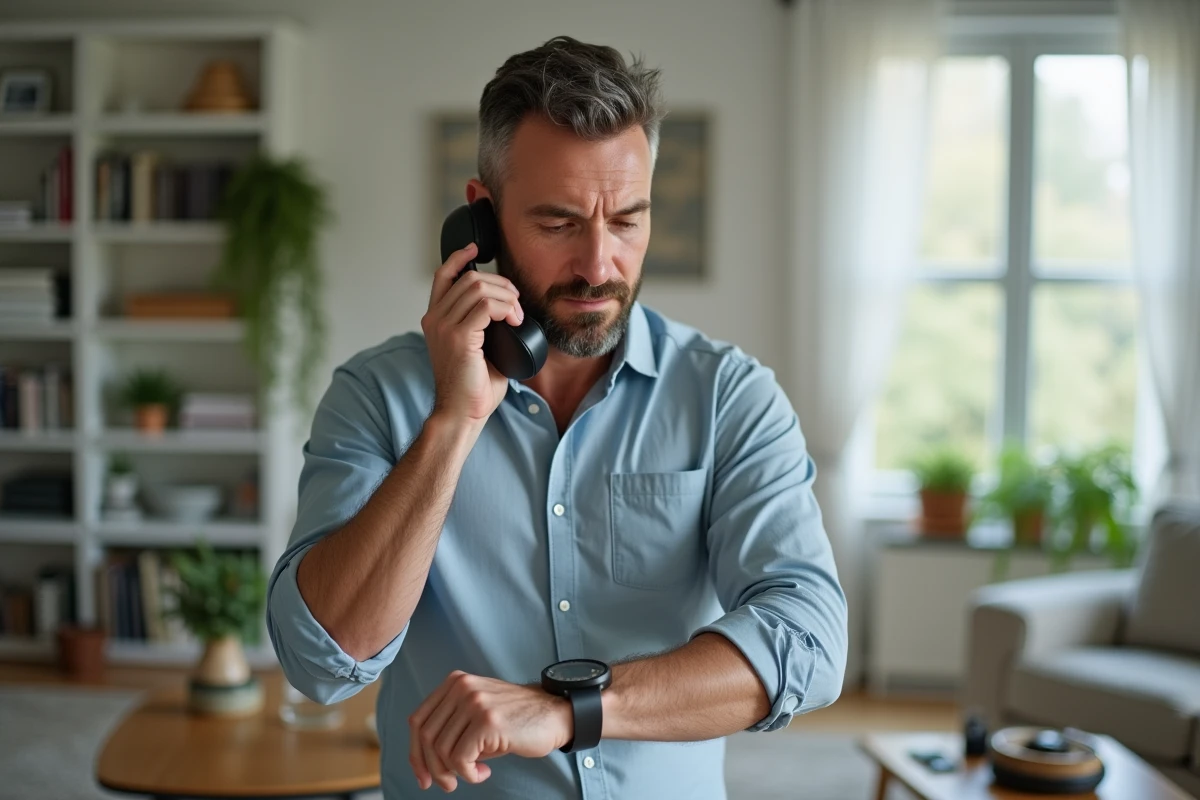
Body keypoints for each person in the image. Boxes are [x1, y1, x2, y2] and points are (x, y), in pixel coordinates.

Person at [266, 35, 847, 800]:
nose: (599, 265)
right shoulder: (378, 395)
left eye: (628, 220)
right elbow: (321, 662)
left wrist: (571, 711)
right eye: (558, 223)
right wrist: (453, 423)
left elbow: (809, 641)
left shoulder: (728, 396)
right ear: (482, 221)